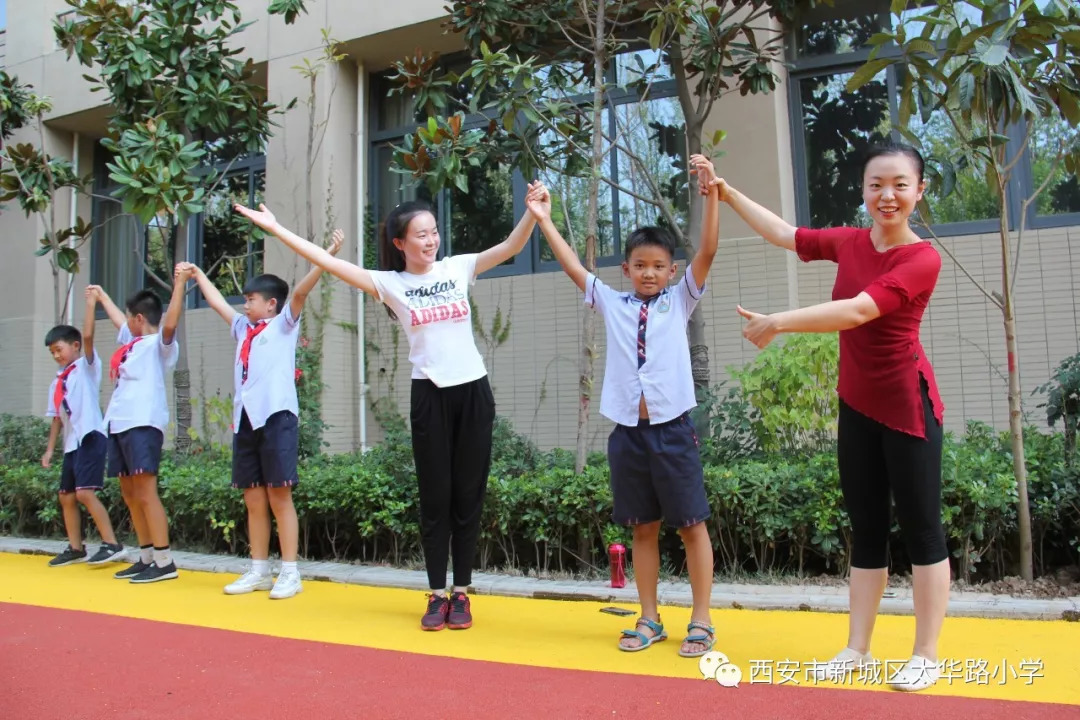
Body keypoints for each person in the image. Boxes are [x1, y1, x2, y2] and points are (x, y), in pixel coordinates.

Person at [233, 190, 539, 630]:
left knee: (468, 497)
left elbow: (511, 247)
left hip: (473, 393)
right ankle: (436, 593)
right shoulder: (389, 284)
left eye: (434, 232)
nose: (431, 241)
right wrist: (276, 228)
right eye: (420, 235)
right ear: (400, 243)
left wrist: (533, 214)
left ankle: (462, 593)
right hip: (429, 395)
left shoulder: (458, 268)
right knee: (435, 498)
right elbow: (330, 262)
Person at [707, 143, 948, 692]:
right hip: (857, 406)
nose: (887, 195)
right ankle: (856, 649)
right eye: (876, 185)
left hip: (907, 407)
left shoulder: (921, 258)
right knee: (866, 531)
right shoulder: (849, 241)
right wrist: (728, 192)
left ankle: (926, 654)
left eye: (900, 185)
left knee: (922, 533)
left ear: (918, 191)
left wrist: (779, 322)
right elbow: (788, 236)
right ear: (864, 191)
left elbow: (861, 309)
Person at [527, 156, 721, 658]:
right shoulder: (613, 303)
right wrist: (545, 219)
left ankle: (701, 620)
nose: (650, 273)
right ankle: (650, 617)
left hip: (672, 430)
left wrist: (712, 194)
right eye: (641, 266)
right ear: (626, 269)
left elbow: (709, 250)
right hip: (628, 435)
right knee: (643, 527)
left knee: (692, 524)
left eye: (659, 266)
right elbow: (574, 267)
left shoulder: (680, 300)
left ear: (672, 271)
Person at [180, 228, 343, 600]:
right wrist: (199, 275)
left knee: (279, 496)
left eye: (251, 300)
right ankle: (258, 569)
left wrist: (327, 254)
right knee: (253, 498)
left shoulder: (283, 325)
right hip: (246, 420)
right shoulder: (243, 328)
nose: (245, 306)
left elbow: (300, 292)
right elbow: (219, 303)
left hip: (277, 417)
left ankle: (290, 572)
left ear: (271, 304)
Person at [88, 268, 188, 584]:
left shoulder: (160, 345)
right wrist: (102, 296)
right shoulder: (131, 343)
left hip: (143, 423)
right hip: (118, 423)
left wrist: (180, 285)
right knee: (130, 492)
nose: (126, 323)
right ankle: (146, 556)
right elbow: (121, 320)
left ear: (140, 319)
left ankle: (164, 560)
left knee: (146, 492)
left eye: (131, 318)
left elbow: (170, 322)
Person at [41, 291, 124, 568]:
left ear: (75, 346)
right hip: (71, 443)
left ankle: (112, 544)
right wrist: (50, 450)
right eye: (52, 352)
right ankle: (76, 548)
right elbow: (56, 418)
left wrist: (91, 304)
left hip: (90, 436)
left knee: (85, 493)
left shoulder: (86, 367)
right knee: (65, 495)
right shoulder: (57, 381)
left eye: (59, 349)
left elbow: (88, 336)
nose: (56, 355)